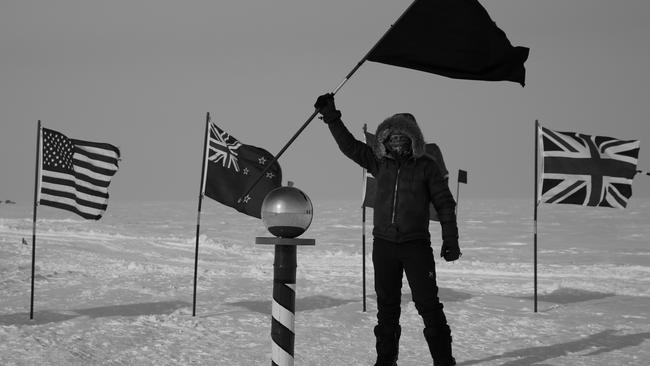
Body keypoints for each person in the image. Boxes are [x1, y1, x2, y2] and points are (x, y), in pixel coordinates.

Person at [314, 93, 461, 366]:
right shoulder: (377, 161)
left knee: (429, 307)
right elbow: (349, 146)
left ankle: (444, 362)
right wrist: (332, 117)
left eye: (403, 136)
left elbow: (445, 204)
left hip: (416, 246)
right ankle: (385, 362)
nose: (397, 141)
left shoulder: (427, 166)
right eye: (392, 136)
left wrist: (450, 239)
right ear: (384, 138)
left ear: (414, 139)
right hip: (383, 246)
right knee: (387, 310)